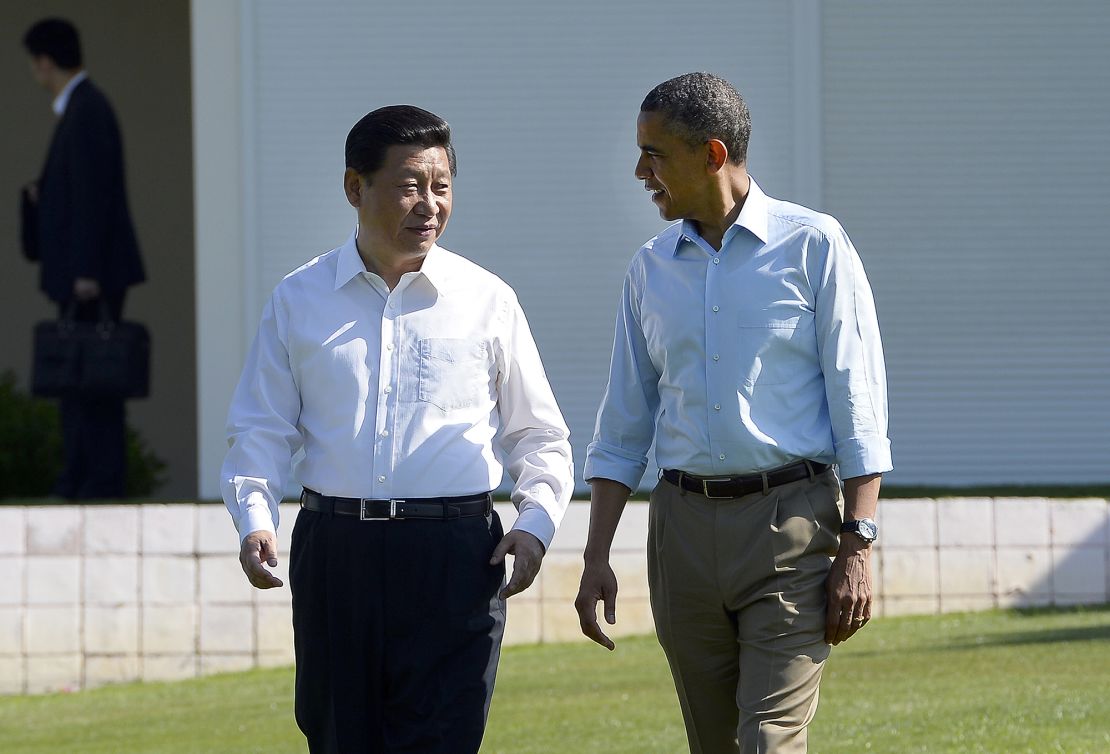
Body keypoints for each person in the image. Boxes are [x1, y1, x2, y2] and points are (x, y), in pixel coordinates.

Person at [221, 105, 573, 753]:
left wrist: (536, 524)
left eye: (441, 186)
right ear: (355, 188)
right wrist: (255, 520)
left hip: (456, 555)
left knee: (445, 737)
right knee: (339, 738)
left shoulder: (487, 300)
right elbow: (260, 430)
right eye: (411, 185)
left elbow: (538, 437)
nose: (429, 204)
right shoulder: (298, 300)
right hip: (337, 553)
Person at [575, 73, 892, 753]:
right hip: (681, 532)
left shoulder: (815, 247)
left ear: (713, 154)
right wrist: (595, 554)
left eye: (654, 154)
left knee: (769, 743)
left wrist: (858, 545)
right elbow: (623, 427)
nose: (640, 172)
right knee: (714, 744)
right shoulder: (648, 270)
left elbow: (858, 403)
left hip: (792, 528)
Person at [21, 18, 145, 499]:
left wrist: (88, 270)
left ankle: (94, 481)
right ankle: (83, 477)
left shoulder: (87, 108)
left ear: (44, 61)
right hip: (84, 270)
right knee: (83, 378)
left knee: (91, 380)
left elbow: (94, 195)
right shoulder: (82, 107)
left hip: (90, 274)